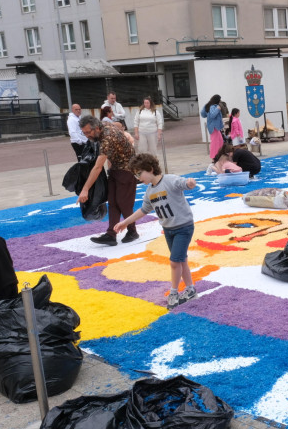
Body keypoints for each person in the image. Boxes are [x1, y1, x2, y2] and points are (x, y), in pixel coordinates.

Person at [114, 153, 199, 309]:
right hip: (168, 229)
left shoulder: (169, 180)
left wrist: (190, 183)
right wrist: (125, 222)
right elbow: (144, 210)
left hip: (183, 227)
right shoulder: (149, 191)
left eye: (139, 174)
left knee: (174, 261)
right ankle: (190, 289)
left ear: (150, 169)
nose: (139, 178)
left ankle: (174, 292)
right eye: (136, 175)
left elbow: (183, 183)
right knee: (181, 260)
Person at [77, 116, 139, 246]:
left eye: (88, 132)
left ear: (97, 128)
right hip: (115, 168)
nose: (87, 136)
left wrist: (85, 189)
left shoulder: (107, 138)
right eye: (84, 132)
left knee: (124, 203)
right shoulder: (103, 126)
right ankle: (111, 234)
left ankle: (132, 231)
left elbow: (98, 167)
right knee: (112, 202)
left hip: (127, 169)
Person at [200, 94, 225, 160]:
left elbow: (202, 114)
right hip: (214, 127)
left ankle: (219, 155)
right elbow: (212, 115)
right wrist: (218, 109)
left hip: (213, 126)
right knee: (215, 142)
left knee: (220, 141)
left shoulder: (208, 105)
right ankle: (214, 156)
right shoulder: (214, 106)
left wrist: (207, 113)